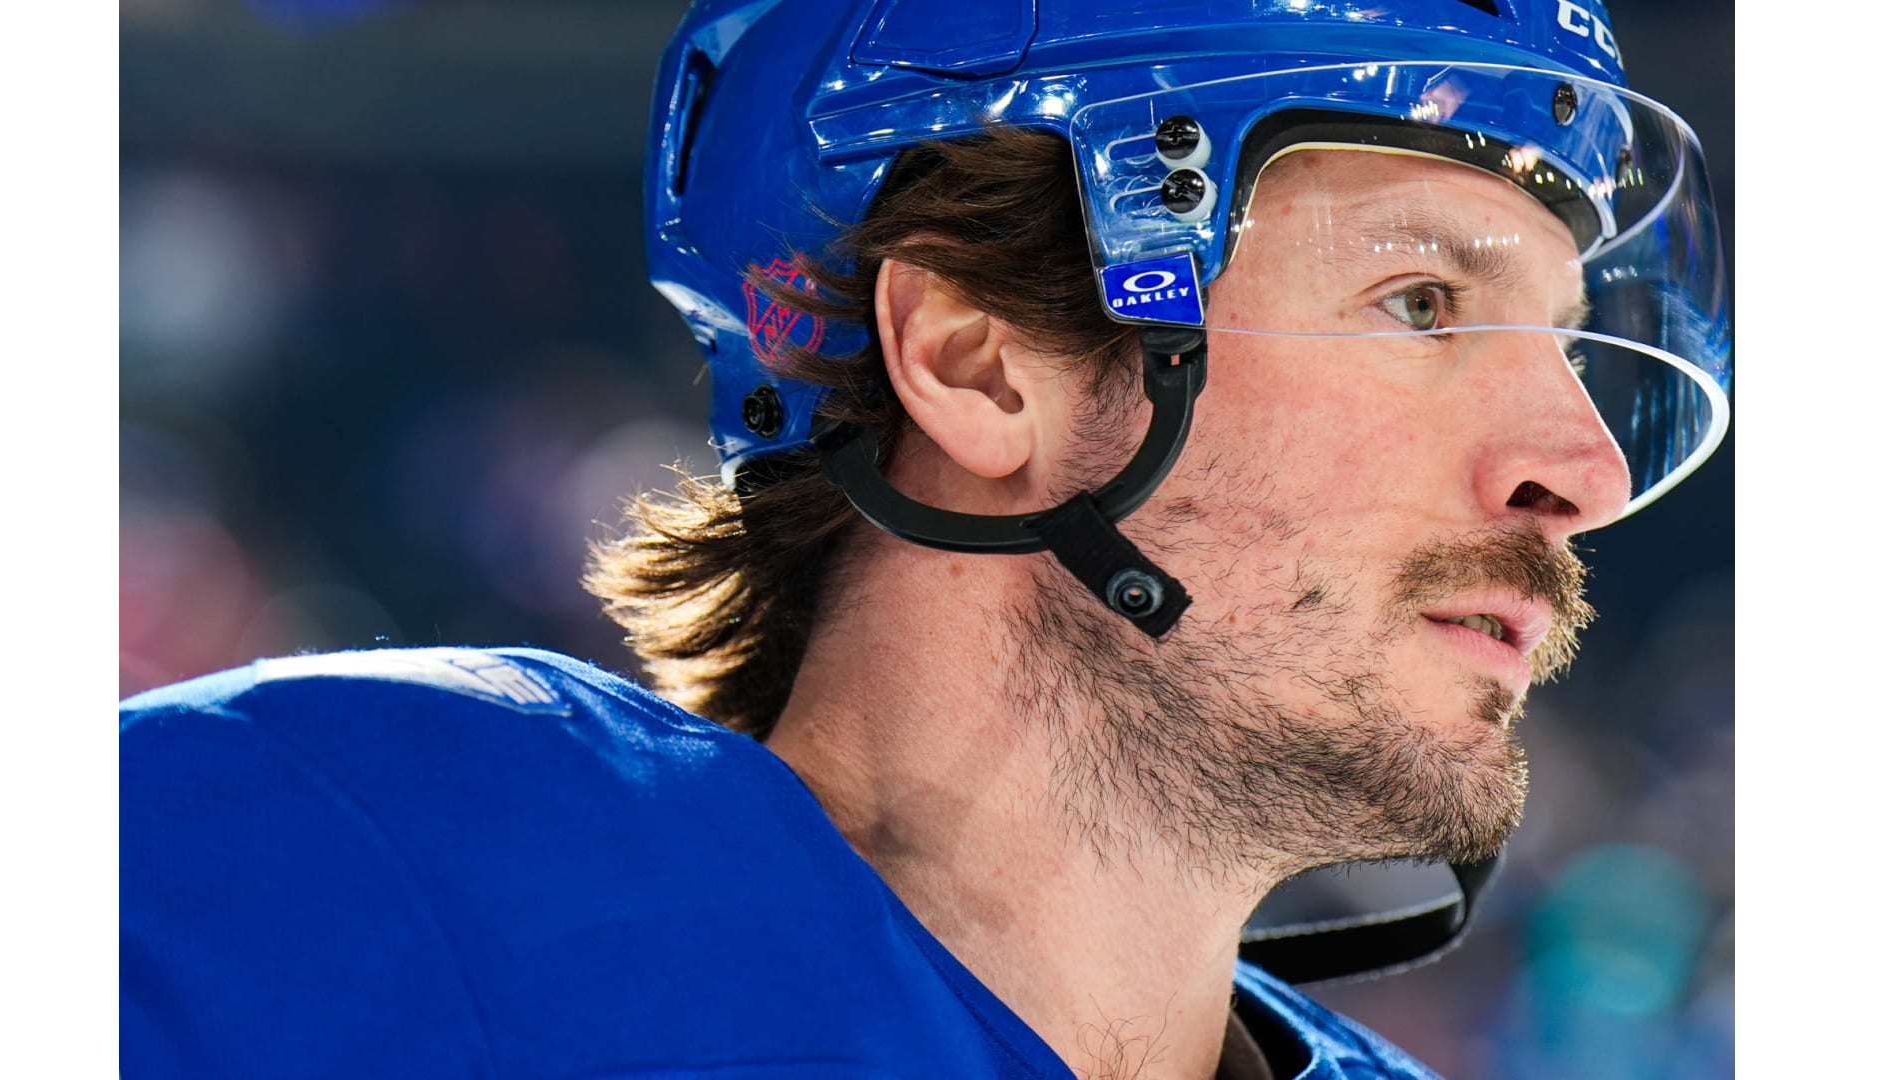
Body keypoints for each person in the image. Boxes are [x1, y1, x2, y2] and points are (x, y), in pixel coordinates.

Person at [120, 1, 1732, 1077]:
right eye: (1423, 304)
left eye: (1568, 345)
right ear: (977, 365)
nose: (1584, 469)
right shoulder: (348, 854)